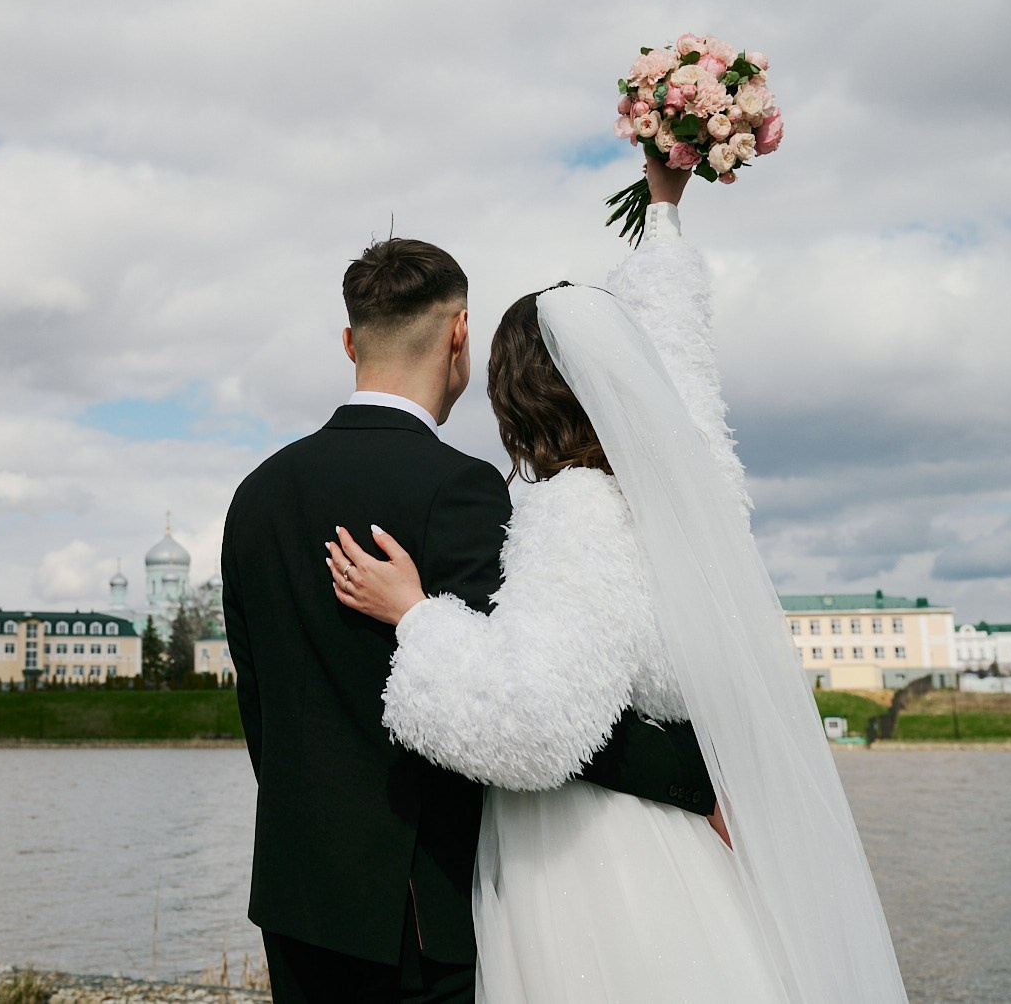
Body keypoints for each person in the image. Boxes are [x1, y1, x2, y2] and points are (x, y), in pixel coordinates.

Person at [325, 159, 909, 1002]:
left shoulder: (576, 512)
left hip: (591, 870)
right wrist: (664, 217)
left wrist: (417, 616)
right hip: (677, 850)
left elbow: (537, 727)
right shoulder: (689, 491)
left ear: (514, 392)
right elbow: (688, 371)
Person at [221, 224, 720, 1004]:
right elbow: (537, 702)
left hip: (295, 899)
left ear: (350, 341)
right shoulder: (460, 489)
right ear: (460, 334)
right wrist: (693, 780)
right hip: (421, 912)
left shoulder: (256, 496)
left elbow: (261, 709)